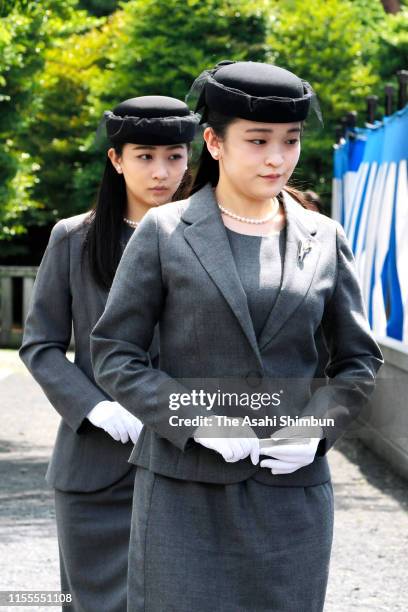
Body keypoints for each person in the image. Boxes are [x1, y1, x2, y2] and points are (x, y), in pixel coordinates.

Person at [90, 62, 384, 612]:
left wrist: (316, 428)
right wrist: (194, 416)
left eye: (290, 141)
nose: (277, 157)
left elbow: (358, 360)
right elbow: (114, 352)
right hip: (183, 490)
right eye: (257, 141)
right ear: (214, 142)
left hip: (289, 491)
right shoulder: (166, 229)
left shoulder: (323, 237)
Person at [19, 95, 199, 612]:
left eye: (174, 156)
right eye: (144, 156)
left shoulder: (212, 241)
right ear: (116, 159)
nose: (161, 171)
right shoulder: (74, 239)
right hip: (95, 469)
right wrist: (95, 406)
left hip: (187, 463)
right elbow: (41, 345)